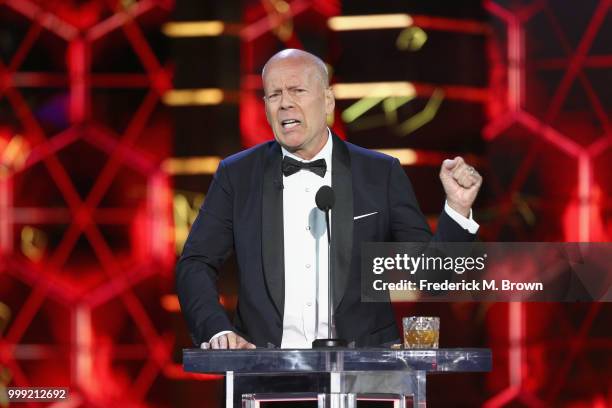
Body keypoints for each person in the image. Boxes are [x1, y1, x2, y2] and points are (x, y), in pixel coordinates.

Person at [176, 49, 482, 350]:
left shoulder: (379, 173)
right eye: (274, 95)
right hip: (266, 372)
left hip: (361, 374)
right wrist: (216, 330)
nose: (285, 103)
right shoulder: (237, 175)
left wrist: (457, 208)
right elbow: (195, 262)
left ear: (327, 101)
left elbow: (429, 277)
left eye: (297, 90)